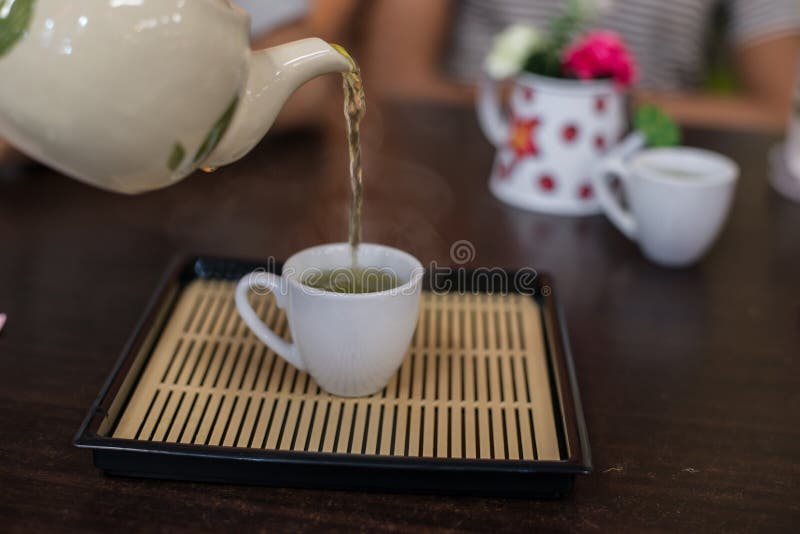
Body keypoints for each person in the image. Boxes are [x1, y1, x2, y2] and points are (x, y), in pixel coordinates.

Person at [363, 0, 800, 132]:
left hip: (650, 162)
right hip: (473, 155)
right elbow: (394, 80)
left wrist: (590, 105)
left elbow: (786, 109)